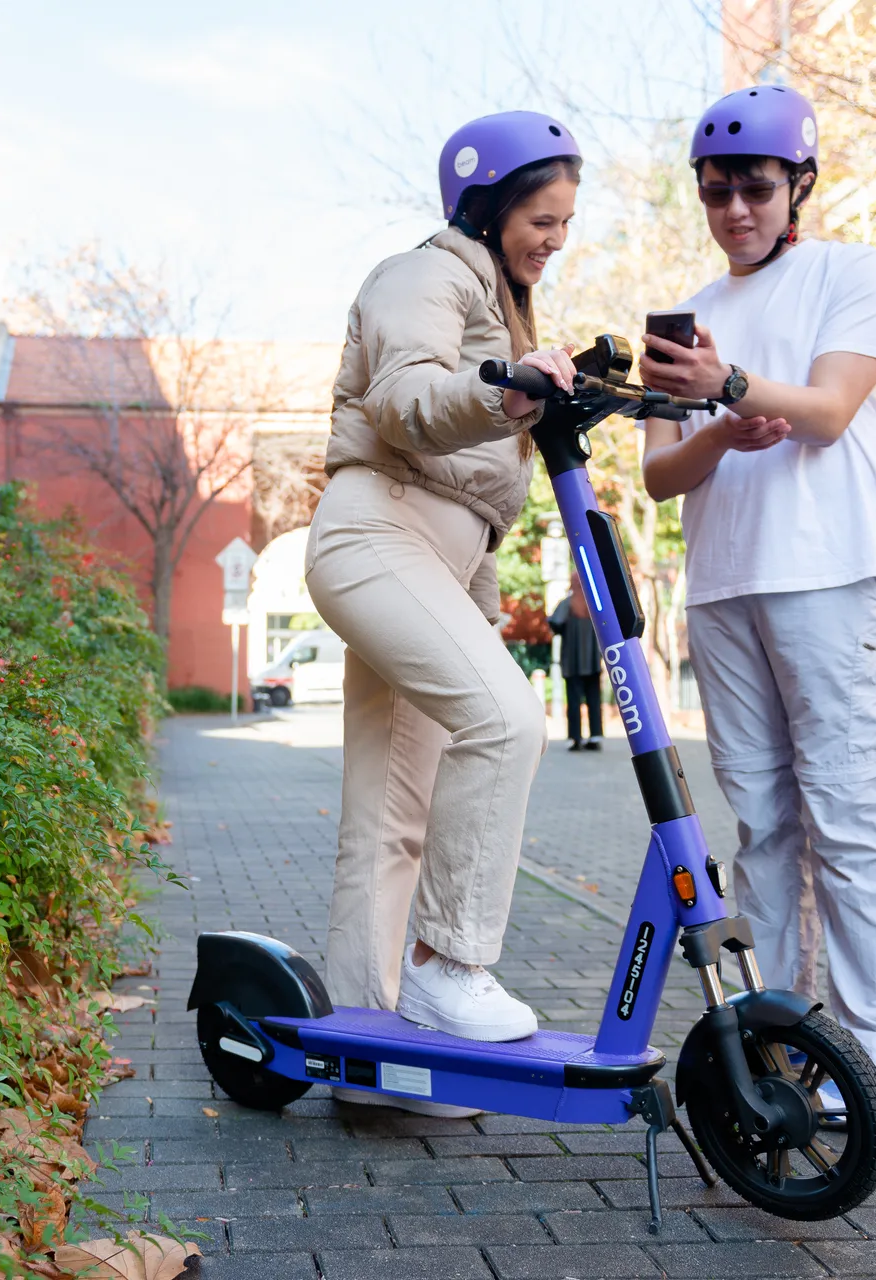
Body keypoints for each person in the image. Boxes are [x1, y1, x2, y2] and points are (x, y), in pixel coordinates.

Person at [636, 85, 876, 1121]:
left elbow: (831, 409)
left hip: (832, 572)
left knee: (849, 811)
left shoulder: (849, 271)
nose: (734, 211)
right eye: (715, 192)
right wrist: (721, 423)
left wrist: (731, 386)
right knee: (761, 824)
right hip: (724, 585)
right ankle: (777, 1041)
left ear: (798, 184)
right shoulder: (685, 318)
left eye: (755, 189)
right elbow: (660, 476)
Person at [305, 111, 582, 1114]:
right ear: (488, 207)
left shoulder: (505, 311)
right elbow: (407, 399)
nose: (554, 240)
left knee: (392, 821)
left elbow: (473, 507)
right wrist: (507, 395)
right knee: (507, 721)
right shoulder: (423, 274)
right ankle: (448, 963)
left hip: (432, 554)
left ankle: (372, 1056)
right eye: (541, 220)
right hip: (375, 534)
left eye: (565, 223)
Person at [547, 575, 603, 751]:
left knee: (573, 700)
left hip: (572, 661)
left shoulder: (567, 604)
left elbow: (556, 623)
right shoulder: (595, 605)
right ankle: (595, 736)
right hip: (592, 661)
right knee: (594, 699)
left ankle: (575, 738)